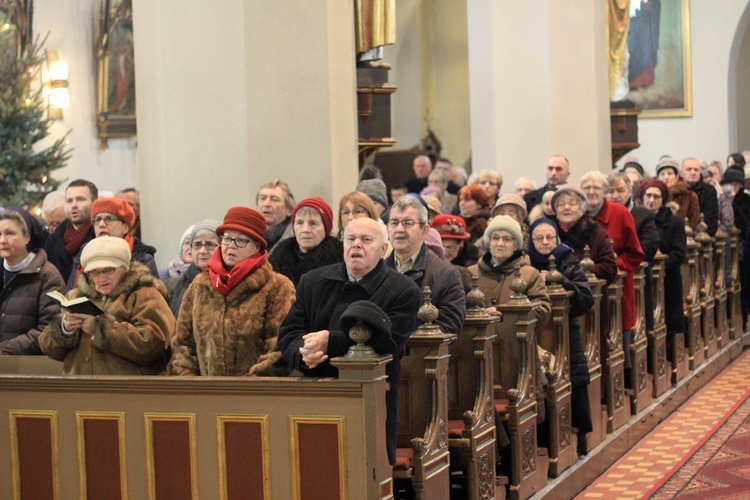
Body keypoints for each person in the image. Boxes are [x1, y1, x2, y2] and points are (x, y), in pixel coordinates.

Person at [277, 217, 422, 466]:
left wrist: (330, 342)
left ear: (383, 249)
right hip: (316, 391)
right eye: (350, 239)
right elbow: (289, 332)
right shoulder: (312, 281)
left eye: (366, 240)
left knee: (363, 469)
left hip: (369, 399)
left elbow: (388, 343)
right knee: (313, 467)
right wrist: (302, 352)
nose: (356, 245)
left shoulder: (403, 290)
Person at [168, 207, 295, 376]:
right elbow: (183, 344)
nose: (231, 247)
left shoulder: (277, 287)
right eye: (227, 239)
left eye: (241, 241)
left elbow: (278, 348)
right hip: (204, 396)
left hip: (255, 395)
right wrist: (190, 380)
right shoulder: (200, 285)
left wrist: (243, 387)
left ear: (257, 246)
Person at [39, 236, 175, 375]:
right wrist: (65, 329)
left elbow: (154, 345)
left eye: (108, 270)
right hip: (80, 390)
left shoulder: (145, 294)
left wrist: (102, 329)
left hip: (127, 391)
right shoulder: (76, 296)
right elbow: (48, 348)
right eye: (95, 272)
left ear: (124, 268)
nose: (101, 278)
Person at [527, 217, 594, 442]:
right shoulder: (525, 264)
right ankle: (547, 440)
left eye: (550, 237)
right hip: (535, 333)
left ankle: (580, 436)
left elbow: (586, 299)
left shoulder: (569, 259)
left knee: (574, 378)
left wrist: (562, 281)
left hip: (567, 333)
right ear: (531, 240)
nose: (545, 242)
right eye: (539, 238)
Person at [580, 171, 644, 371]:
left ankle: (620, 377)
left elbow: (635, 253)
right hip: (584, 286)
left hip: (616, 286)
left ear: (605, 191)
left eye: (596, 188)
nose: (591, 192)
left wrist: (615, 266)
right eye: (586, 188)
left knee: (616, 337)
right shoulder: (576, 214)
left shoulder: (620, 213)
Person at [551, 184, 618, 366]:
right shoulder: (548, 235)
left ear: (582, 209)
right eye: (561, 204)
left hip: (590, 300)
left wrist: (580, 273)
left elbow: (610, 267)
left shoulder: (596, 234)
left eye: (572, 204)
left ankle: (598, 393)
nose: (566, 208)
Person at [385, 196, 466, 335]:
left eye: (407, 223)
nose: (399, 229)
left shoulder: (446, 273)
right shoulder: (377, 270)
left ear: (424, 231)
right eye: (394, 222)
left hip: (423, 353)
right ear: (387, 228)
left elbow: (451, 325)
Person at [0, 209, 65, 355]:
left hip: (24, 366)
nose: (2, 240)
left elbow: (47, 331)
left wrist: (4, 350)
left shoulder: (48, 276)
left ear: (27, 237)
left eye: (10, 233)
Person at [467, 215, 551, 326]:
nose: (500, 243)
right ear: (488, 243)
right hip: (477, 339)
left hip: (516, 340)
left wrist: (506, 314)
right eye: (495, 238)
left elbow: (543, 312)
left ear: (516, 245)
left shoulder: (530, 274)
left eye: (506, 239)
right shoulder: (471, 273)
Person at [638, 180, 687, 339]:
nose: (651, 200)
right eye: (648, 195)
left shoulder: (674, 222)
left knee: (668, 322)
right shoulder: (635, 218)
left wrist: (658, 267)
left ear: (663, 199)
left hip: (667, 279)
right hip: (641, 277)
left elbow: (679, 253)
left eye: (656, 196)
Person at [82, 198, 158, 286]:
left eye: (109, 219)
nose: (101, 224)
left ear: (125, 227)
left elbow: (150, 295)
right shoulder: (85, 253)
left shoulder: (142, 258)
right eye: (98, 219)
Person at [269, 197, 343, 286]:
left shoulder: (339, 263)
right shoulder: (277, 260)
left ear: (325, 229)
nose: (305, 230)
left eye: (313, 223)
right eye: (299, 223)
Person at [45, 179, 98, 289]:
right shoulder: (53, 239)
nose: (74, 205)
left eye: (80, 199)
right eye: (69, 201)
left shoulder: (100, 236)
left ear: (94, 202)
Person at [166, 219, 220, 318]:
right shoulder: (173, 286)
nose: (202, 251)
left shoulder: (229, 285)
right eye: (197, 245)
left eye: (210, 244)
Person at [721, 169, 750, 328]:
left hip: (743, 249)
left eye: (735, 184)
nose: (732, 187)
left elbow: (743, 222)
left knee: (743, 284)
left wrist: (735, 206)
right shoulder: (721, 199)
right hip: (726, 247)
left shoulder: (745, 200)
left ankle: (743, 318)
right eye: (729, 184)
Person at [656, 157, 700, 230]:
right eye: (662, 174)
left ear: (677, 177)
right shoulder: (653, 196)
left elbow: (693, 222)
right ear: (658, 178)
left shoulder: (689, 196)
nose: (666, 177)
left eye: (670, 173)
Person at [681, 157, 719, 236]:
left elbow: (711, 221)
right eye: (689, 169)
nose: (693, 172)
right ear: (681, 173)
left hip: (702, 237)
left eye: (696, 170)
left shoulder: (709, 191)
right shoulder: (676, 191)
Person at [256, 179, 295, 253]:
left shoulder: (294, 242)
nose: (266, 204)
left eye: (274, 200)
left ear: (289, 210)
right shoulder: (249, 238)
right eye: (263, 198)